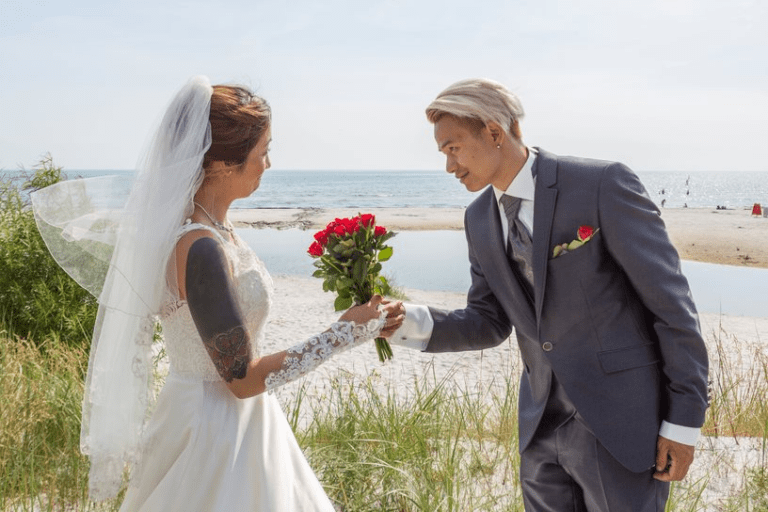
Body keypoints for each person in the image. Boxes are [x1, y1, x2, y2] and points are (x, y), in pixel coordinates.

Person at [31, 76, 402, 510]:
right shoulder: (201, 248)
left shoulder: (213, 233)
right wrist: (343, 333)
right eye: (263, 152)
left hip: (232, 420)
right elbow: (242, 379)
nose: (268, 163)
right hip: (214, 432)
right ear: (223, 163)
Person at [387, 78, 709, 510]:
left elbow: (671, 307)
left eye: (453, 147)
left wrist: (684, 423)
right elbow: (488, 321)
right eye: (444, 152)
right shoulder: (479, 218)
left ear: (494, 132)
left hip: (620, 426)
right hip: (539, 430)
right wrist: (403, 319)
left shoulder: (600, 184)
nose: (449, 165)